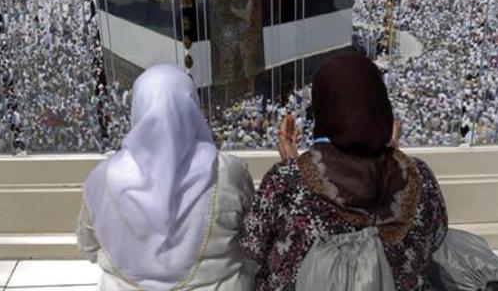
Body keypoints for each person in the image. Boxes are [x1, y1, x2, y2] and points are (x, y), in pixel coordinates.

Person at [238, 52, 448, 290]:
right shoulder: (418, 175)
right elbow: (437, 236)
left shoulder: (286, 180)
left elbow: (252, 246)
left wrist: (292, 166)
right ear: (380, 105)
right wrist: (390, 156)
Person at [77, 65, 255, 290]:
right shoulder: (228, 171)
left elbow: (88, 247)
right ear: (192, 107)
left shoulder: (100, 180)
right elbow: (252, 238)